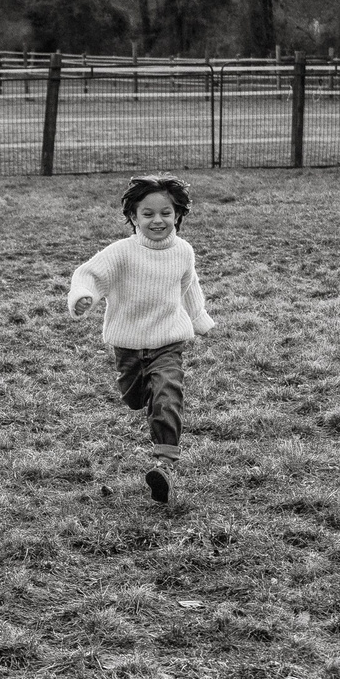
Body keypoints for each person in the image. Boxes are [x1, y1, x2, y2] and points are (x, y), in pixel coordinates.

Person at [66, 173, 217, 503]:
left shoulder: (183, 252)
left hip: (168, 340)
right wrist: (83, 295)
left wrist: (199, 320)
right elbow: (89, 274)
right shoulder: (122, 252)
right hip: (129, 344)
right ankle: (145, 396)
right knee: (136, 398)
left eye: (165, 212)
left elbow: (189, 287)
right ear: (133, 217)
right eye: (147, 214)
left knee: (167, 391)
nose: (157, 220)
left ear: (178, 215)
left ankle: (164, 464)